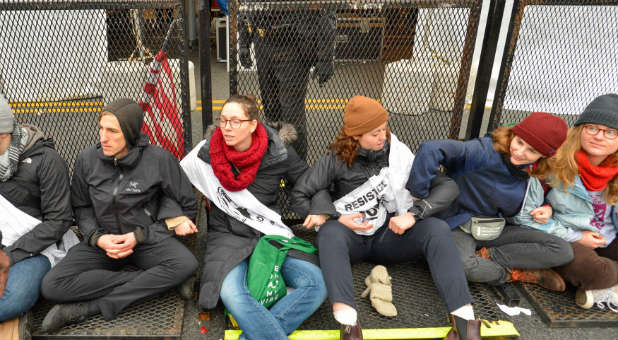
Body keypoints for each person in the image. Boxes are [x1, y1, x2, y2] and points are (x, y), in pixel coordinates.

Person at [292, 96, 481, 340]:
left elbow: (448, 187)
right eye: (373, 133)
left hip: (389, 235)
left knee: (437, 229)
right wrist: (335, 217)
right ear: (355, 136)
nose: (382, 136)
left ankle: (466, 324)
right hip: (352, 239)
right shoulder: (335, 158)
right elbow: (299, 194)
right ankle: (349, 326)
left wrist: (414, 215)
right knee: (329, 233)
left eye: (383, 129)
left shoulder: (399, 155)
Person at [40, 98, 198, 332]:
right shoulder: (87, 160)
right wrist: (97, 237)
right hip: (104, 242)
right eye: (101, 128)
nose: (103, 137)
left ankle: (90, 308)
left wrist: (140, 236)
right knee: (51, 286)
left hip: (145, 240)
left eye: (112, 131)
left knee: (186, 264)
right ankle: (157, 283)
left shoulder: (159, 159)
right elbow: (81, 207)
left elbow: (188, 206)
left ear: (131, 132)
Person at [180, 94, 327, 340]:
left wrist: (318, 207)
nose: (226, 127)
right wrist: (178, 216)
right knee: (231, 294)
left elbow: (307, 181)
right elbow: (176, 188)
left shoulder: (277, 151)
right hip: (227, 235)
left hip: (268, 234)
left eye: (235, 121)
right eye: (224, 120)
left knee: (316, 284)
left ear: (253, 124)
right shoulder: (205, 155)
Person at [408, 112, 573, 292]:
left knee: (562, 250)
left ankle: (486, 257)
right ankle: (511, 273)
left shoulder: (533, 170)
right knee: (463, 267)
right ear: (513, 135)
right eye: (519, 142)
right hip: (459, 227)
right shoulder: (485, 151)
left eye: (531, 151)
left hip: (495, 229)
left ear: (543, 156)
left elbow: (543, 195)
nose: (519, 152)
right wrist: (419, 194)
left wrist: (547, 207)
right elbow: (430, 149)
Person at [515, 94, 618, 311]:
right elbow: (524, 216)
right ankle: (603, 282)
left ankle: (602, 286)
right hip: (565, 238)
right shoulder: (553, 161)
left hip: (607, 239)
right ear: (580, 130)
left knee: (602, 270)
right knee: (597, 271)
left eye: (610, 132)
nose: (599, 137)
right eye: (592, 128)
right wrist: (578, 236)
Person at [0, 94, 75, 327]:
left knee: (14, 298)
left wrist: (10, 256)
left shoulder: (46, 160)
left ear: (3, 135)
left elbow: (59, 220)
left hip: (37, 249)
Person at [238, 6, 336, 159]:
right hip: (263, 41)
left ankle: (297, 168)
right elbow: (247, 6)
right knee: (271, 109)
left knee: (292, 113)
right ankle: (276, 160)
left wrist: (325, 57)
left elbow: (325, 10)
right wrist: (244, 42)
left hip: (293, 44)